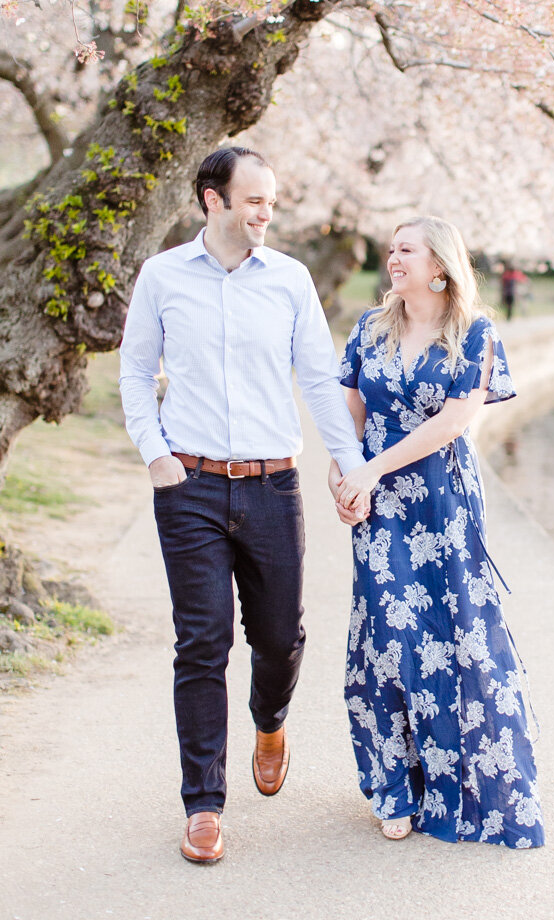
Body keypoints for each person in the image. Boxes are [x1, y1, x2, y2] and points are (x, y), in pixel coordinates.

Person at [119, 146, 368, 864]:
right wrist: (155, 454)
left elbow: (319, 382)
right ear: (212, 201)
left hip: (270, 486)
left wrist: (350, 470)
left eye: (271, 201)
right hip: (188, 485)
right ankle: (201, 803)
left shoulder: (288, 281)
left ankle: (270, 721)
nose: (265, 213)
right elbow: (136, 372)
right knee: (201, 643)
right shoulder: (162, 276)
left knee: (280, 638)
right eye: (253, 200)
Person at [331, 216, 545, 847]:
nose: (391, 259)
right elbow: (347, 414)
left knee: (455, 634)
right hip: (376, 502)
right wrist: (343, 481)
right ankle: (393, 785)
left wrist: (367, 470)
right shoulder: (369, 329)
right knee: (388, 633)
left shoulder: (474, 332)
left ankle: (461, 786)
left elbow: (452, 422)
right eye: (389, 249)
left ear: (440, 266)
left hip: (441, 505)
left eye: (405, 250)